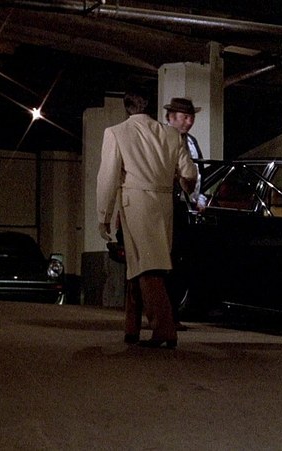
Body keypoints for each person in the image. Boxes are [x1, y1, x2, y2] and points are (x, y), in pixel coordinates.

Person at [97, 87, 197, 349]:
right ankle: (131, 328)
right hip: (163, 205)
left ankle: (164, 330)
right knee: (141, 263)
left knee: (147, 267)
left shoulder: (116, 132)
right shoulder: (172, 134)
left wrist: (104, 214)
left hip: (134, 204)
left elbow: (108, 177)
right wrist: (185, 187)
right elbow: (189, 173)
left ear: (127, 108)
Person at [164, 98, 207, 209]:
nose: (190, 122)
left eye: (192, 118)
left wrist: (200, 196)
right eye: (185, 117)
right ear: (172, 117)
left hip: (190, 203)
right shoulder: (161, 139)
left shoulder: (192, 141)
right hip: (168, 203)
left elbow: (200, 171)